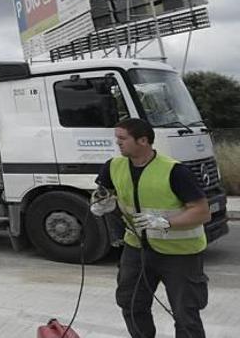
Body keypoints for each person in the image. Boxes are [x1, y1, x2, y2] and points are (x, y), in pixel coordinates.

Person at [90, 118, 210, 338]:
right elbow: (102, 194)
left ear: (143, 140)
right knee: (131, 304)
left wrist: (167, 223)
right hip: (137, 249)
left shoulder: (175, 171)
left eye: (123, 138)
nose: (118, 143)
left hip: (180, 254)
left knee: (186, 314)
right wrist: (100, 203)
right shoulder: (113, 166)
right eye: (117, 138)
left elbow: (202, 212)